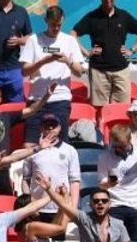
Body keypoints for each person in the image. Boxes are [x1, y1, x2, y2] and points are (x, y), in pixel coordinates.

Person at [20, 6, 84, 143]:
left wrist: (68, 61)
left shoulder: (69, 41)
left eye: (59, 25)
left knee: (59, 145)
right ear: (45, 21)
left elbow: (79, 72)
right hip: (36, 99)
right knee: (29, 145)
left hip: (60, 99)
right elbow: (24, 71)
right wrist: (43, 61)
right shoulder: (33, 40)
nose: (55, 28)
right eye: (52, 25)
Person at [70, 0, 137, 110]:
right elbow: (73, 34)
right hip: (99, 71)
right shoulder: (92, 17)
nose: (108, 1)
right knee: (99, 109)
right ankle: (100, 128)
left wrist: (132, 50)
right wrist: (86, 52)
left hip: (121, 70)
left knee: (121, 109)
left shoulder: (123, 16)